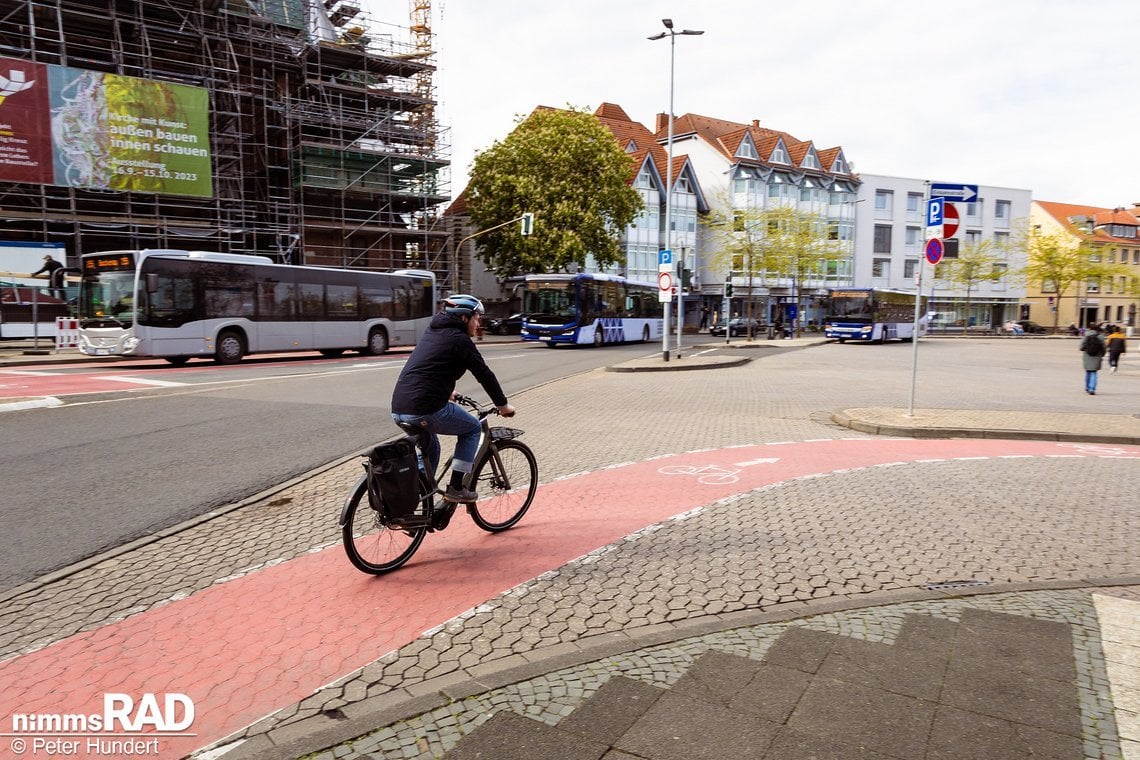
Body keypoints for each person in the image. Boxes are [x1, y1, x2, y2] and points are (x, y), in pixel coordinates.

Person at [390, 294, 515, 507]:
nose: (479, 323)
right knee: (472, 429)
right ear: (464, 318)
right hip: (425, 409)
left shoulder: (433, 332)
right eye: (477, 318)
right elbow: (484, 374)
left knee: (432, 450)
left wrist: (449, 392)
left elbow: (430, 367)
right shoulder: (460, 340)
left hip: (400, 408)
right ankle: (457, 488)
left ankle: (410, 505)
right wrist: (502, 405)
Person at [1079, 326, 1106, 395]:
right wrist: (1102, 355)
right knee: (1094, 372)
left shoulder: (1086, 335)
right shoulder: (1101, 337)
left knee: (1088, 372)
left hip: (1087, 356)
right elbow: (1104, 348)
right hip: (1097, 356)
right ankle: (1092, 389)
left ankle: (1087, 387)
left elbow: (1081, 347)